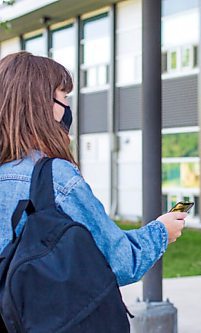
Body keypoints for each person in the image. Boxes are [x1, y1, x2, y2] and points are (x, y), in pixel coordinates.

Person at [0, 51, 186, 287]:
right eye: (64, 96)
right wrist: (162, 232)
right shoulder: (53, 177)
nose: (68, 106)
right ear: (45, 105)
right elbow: (118, 262)